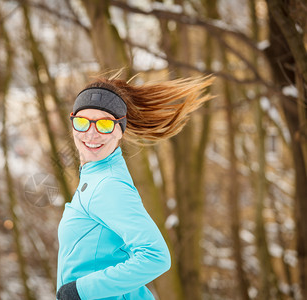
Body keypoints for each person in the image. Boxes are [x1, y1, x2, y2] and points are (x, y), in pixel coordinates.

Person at [56, 74, 214, 300]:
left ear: (120, 130)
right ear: (72, 123)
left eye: (105, 124)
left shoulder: (108, 185)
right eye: (82, 122)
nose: (91, 133)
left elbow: (155, 256)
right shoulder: (95, 174)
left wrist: (79, 291)